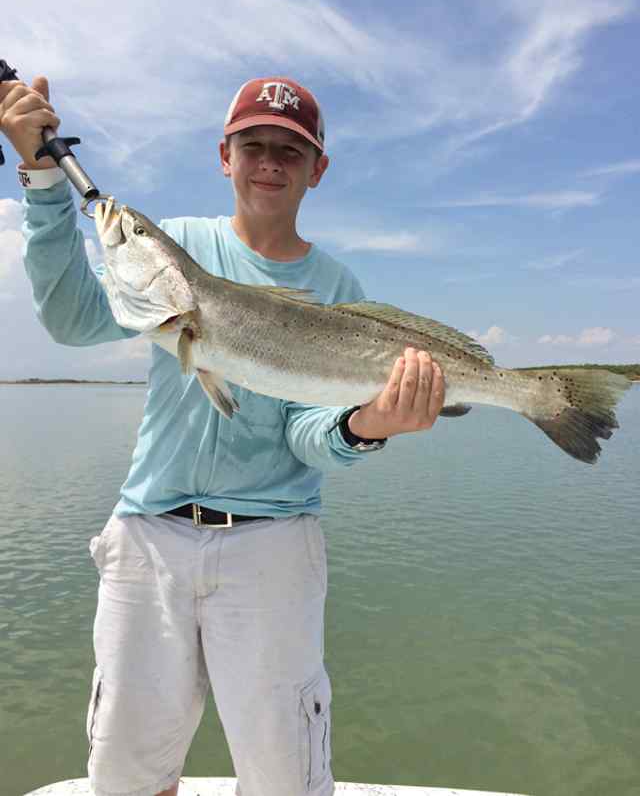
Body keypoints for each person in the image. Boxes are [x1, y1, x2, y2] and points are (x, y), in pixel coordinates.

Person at [0, 74, 445, 796]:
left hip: (273, 545)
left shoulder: (337, 286)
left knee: (284, 780)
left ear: (317, 169)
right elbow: (73, 318)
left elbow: (308, 432)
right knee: (126, 774)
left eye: (289, 151)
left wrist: (368, 426)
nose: (269, 162)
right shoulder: (182, 251)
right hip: (149, 536)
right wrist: (46, 181)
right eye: (253, 145)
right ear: (224, 156)